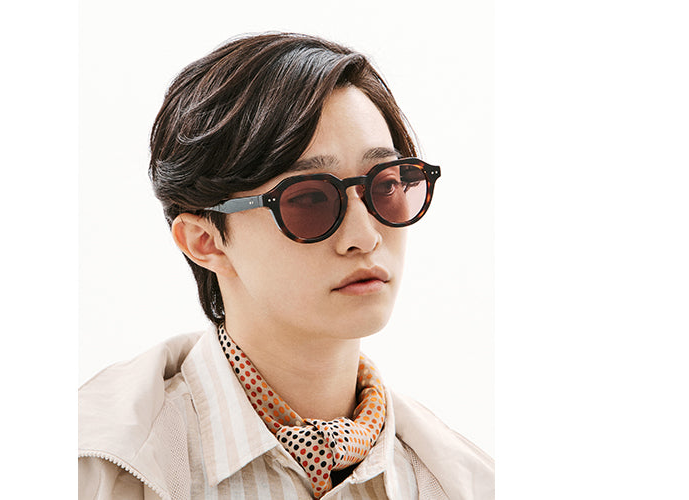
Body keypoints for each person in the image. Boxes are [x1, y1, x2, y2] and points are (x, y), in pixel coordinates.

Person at [79, 32, 494, 499]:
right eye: (310, 199)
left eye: (386, 186)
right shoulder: (94, 470)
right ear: (205, 241)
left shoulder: (467, 483)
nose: (365, 236)